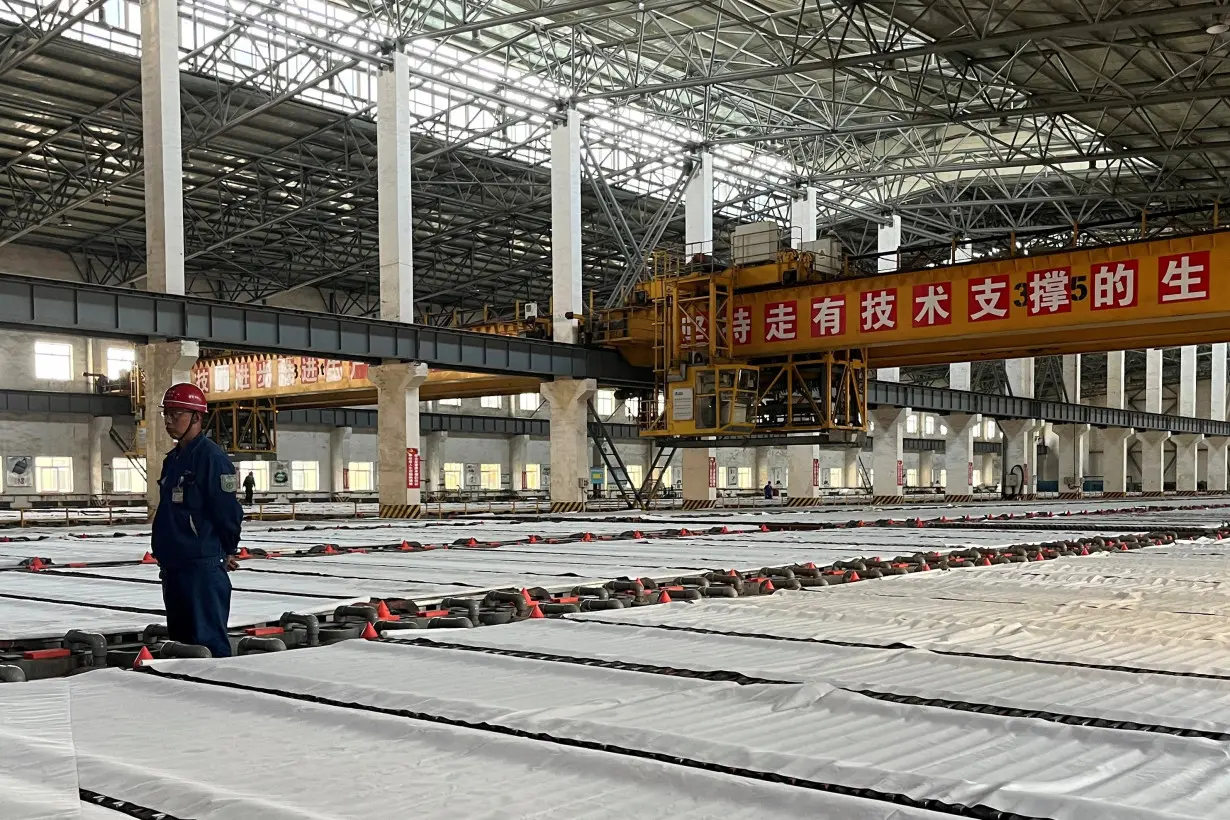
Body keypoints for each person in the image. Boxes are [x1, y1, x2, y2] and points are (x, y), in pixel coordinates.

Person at [151, 383, 244, 658]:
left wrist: (226, 550)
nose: (169, 421)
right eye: (166, 414)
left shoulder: (212, 459)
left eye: (176, 414)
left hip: (201, 566)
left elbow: (227, 511)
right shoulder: (173, 460)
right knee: (182, 645)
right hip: (175, 565)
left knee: (208, 644)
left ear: (197, 417)